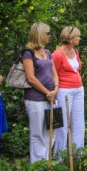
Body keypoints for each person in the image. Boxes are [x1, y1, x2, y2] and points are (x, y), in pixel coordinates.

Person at [22, 23, 59, 163]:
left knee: (51, 131)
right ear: (40, 35)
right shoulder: (28, 53)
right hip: (35, 99)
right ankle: (38, 166)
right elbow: (31, 78)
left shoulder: (48, 52)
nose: (49, 36)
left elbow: (54, 74)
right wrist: (47, 92)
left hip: (51, 98)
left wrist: (55, 89)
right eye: (47, 33)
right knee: (37, 133)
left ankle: (46, 162)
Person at [52, 26, 84, 155]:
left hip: (78, 90)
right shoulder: (57, 54)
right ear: (70, 38)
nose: (79, 38)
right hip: (64, 91)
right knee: (63, 124)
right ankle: (60, 156)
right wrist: (54, 91)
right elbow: (53, 74)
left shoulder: (75, 51)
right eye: (77, 36)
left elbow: (77, 69)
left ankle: (78, 154)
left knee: (78, 122)